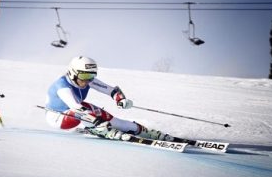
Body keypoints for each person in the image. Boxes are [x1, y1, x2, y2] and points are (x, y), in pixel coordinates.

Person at [44, 56, 175, 141]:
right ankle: (103, 130)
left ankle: (143, 131)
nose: (87, 81)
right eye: (84, 77)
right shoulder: (62, 85)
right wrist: (97, 122)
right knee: (85, 109)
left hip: (78, 112)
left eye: (91, 76)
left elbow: (111, 90)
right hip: (58, 118)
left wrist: (120, 99)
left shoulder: (87, 80)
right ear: (73, 73)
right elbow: (75, 106)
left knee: (107, 117)